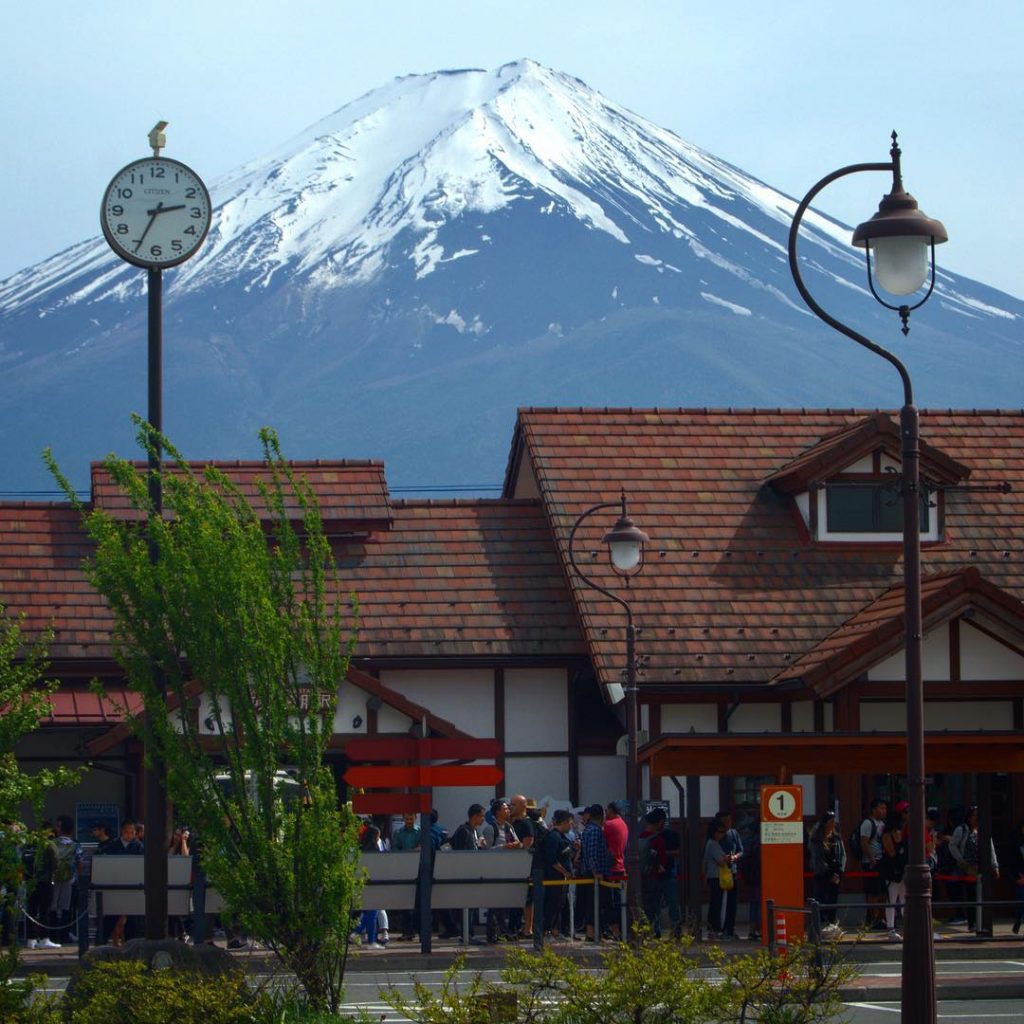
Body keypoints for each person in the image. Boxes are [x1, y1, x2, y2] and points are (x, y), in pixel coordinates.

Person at [580, 804, 613, 940]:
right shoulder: (594, 830)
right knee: (597, 902)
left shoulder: (588, 829)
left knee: (594, 903)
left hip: (590, 871)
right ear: (601, 815)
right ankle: (592, 932)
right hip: (595, 873)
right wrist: (596, 872)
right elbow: (592, 853)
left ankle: (593, 932)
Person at [540, 809, 574, 939]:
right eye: (570, 823)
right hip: (554, 878)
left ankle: (555, 930)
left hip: (562, 879)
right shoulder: (553, 837)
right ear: (564, 823)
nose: (571, 826)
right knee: (551, 905)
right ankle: (545, 931)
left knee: (560, 905)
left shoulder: (562, 837)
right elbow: (552, 860)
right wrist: (565, 872)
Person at [809, 810, 846, 933]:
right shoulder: (816, 839)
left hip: (835, 874)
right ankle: (817, 927)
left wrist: (839, 871)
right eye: (831, 821)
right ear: (825, 823)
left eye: (834, 821)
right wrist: (829, 872)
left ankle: (832, 924)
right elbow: (817, 859)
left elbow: (842, 855)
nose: (833, 823)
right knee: (820, 899)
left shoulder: (836, 838)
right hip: (822, 874)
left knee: (833, 899)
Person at [638, 808, 668, 936]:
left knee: (643, 906)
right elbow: (662, 862)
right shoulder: (658, 840)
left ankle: (642, 931)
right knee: (653, 907)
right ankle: (651, 931)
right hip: (654, 877)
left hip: (640, 877)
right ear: (660, 822)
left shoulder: (638, 837)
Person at [858, 798, 887, 929]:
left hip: (882, 861)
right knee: (873, 892)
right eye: (881, 808)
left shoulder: (883, 823)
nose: (883, 811)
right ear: (873, 809)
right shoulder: (868, 823)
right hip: (871, 862)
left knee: (882, 892)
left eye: (885, 808)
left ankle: (881, 918)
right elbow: (864, 842)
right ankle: (872, 918)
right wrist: (871, 859)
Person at [391, 812, 420, 940]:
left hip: (418, 870)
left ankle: (415, 931)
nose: (409, 821)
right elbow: (395, 850)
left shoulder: (420, 831)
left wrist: (407, 852)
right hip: (403, 870)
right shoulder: (398, 833)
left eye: (411, 818)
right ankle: (406, 931)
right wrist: (411, 852)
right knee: (404, 903)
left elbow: (421, 849)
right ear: (403, 819)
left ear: (415, 818)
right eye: (407, 818)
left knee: (417, 903)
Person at [716, 811, 743, 939]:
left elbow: (741, 850)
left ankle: (730, 928)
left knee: (732, 902)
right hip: (719, 872)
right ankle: (719, 929)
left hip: (732, 870)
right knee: (719, 902)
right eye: (725, 821)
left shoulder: (734, 833)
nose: (727, 823)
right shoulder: (715, 835)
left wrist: (735, 856)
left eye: (729, 820)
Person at [703, 819, 730, 940]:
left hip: (714, 876)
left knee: (715, 903)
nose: (722, 834)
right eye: (720, 832)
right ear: (714, 832)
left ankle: (713, 928)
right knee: (716, 904)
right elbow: (721, 860)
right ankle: (715, 929)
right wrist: (728, 858)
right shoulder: (713, 844)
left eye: (723, 832)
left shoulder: (712, 843)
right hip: (715, 877)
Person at [1011, 819, 1024, 935]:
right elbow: (1013, 861)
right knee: (1020, 900)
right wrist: (1018, 876)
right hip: (1020, 876)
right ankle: (1018, 920)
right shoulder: (1016, 843)